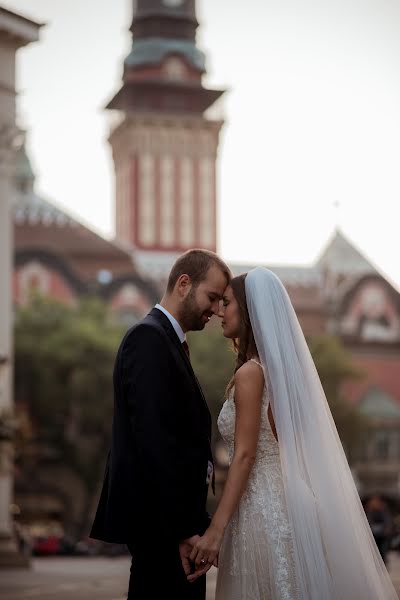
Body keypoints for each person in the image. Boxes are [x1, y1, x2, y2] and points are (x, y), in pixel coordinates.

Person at [188, 267, 398, 599]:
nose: (218, 311)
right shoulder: (276, 374)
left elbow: (244, 455)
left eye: (226, 303)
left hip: (260, 508)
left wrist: (216, 530)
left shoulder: (250, 374)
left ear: (249, 310)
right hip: (288, 500)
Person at [90, 249, 231, 600]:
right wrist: (184, 531)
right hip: (162, 529)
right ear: (184, 283)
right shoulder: (148, 338)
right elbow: (155, 441)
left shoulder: (167, 340)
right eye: (212, 297)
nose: (216, 310)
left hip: (171, 526)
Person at [365, 495, 393, 565]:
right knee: (375, 551)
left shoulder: (383, 510)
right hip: (374, 534)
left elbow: (387, 521)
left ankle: (383, 564)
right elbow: (369, 521)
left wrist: (387, 529)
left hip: (383, 534)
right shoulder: (370, 511)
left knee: (383, 550)